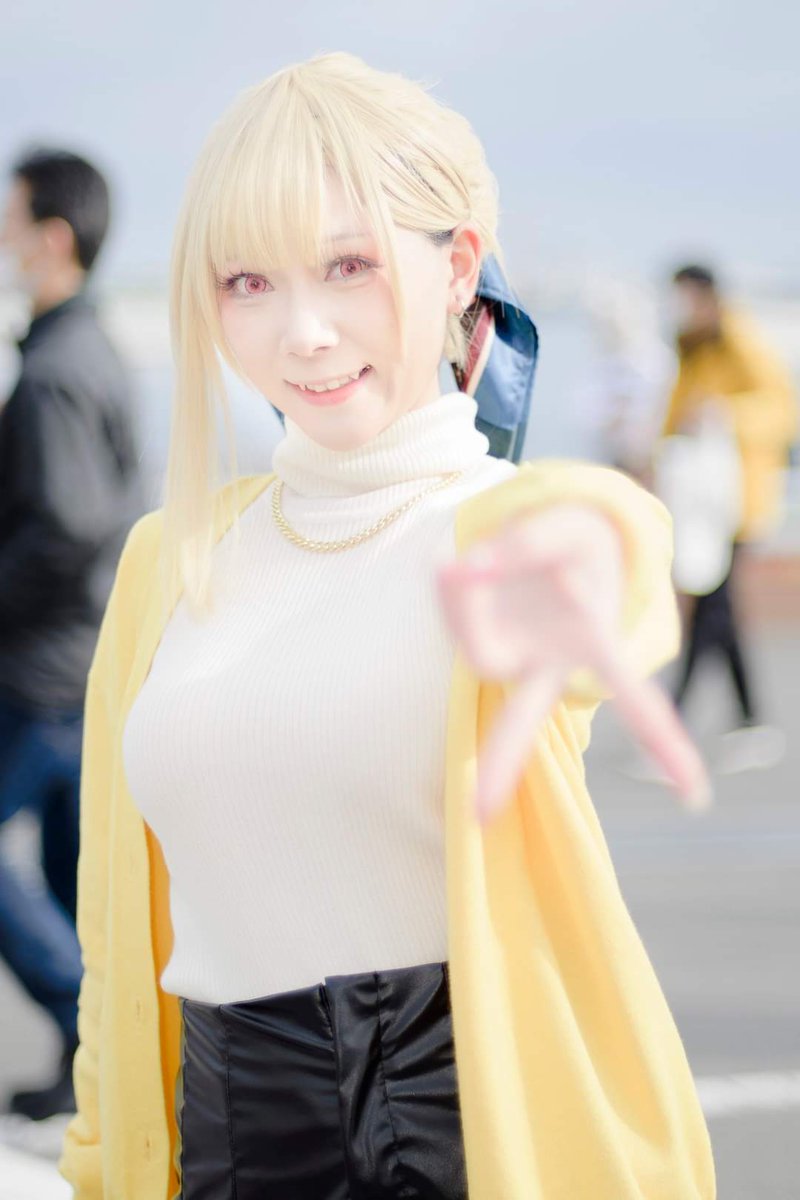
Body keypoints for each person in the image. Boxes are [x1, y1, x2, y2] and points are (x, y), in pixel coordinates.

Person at [59, 54, 715, 1199]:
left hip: (476, 1149)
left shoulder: (500, 529)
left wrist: (589, 555)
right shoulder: (169, 561)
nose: (303, 333)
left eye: (348, 266)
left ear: (456, 266)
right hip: (222, 1154)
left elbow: (608, 546)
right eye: (247, 282)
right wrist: (98, 1163)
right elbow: (115, 949)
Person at [0, 148, 143, 1120]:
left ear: (52, 239)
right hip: (87, 658)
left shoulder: (56, 370)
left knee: (69, 874)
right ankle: (94, 1067)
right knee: (72, 875)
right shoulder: (90, 348)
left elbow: (68, 526)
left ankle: (87, 1028)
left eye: (11, 221)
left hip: (41, 669)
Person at [661, 264, 797, 773]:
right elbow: (674, 415)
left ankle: (673, 725)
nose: (680, 309)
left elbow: (783, 410)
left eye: (687, 298)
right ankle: (746, 723)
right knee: (717, 612)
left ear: (708, 297)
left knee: (711, 608)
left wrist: (722, 412)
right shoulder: (693, 348)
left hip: (736, 502)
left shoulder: (741, 340)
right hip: (701, 503)